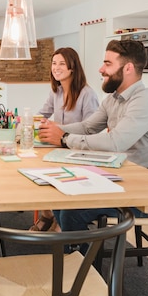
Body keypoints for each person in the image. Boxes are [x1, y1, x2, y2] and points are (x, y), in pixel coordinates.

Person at [38, 39, 148, 249]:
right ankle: (73, 255)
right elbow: (88, 127)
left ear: (128, 68)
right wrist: (55, 132)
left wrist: (63, 139)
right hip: (122, 178)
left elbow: (115, 142)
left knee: (72, 210)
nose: (101, 69)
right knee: (61, 195)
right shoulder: (113, 99)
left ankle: (78, 266)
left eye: (107, 64)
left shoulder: (143, 102)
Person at [30, 47, 99, 232]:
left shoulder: (87, 94)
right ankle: (49, 214)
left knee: (46, 170)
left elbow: (92, 129)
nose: (56, 68)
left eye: (62, 64)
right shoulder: (57, 92)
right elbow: (41, 114)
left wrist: (58, 130)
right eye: (54, 63)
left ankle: (60, 221)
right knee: (34, 168)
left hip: (79, 152)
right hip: (59, 149)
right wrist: (27, 121)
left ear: (72, 68)